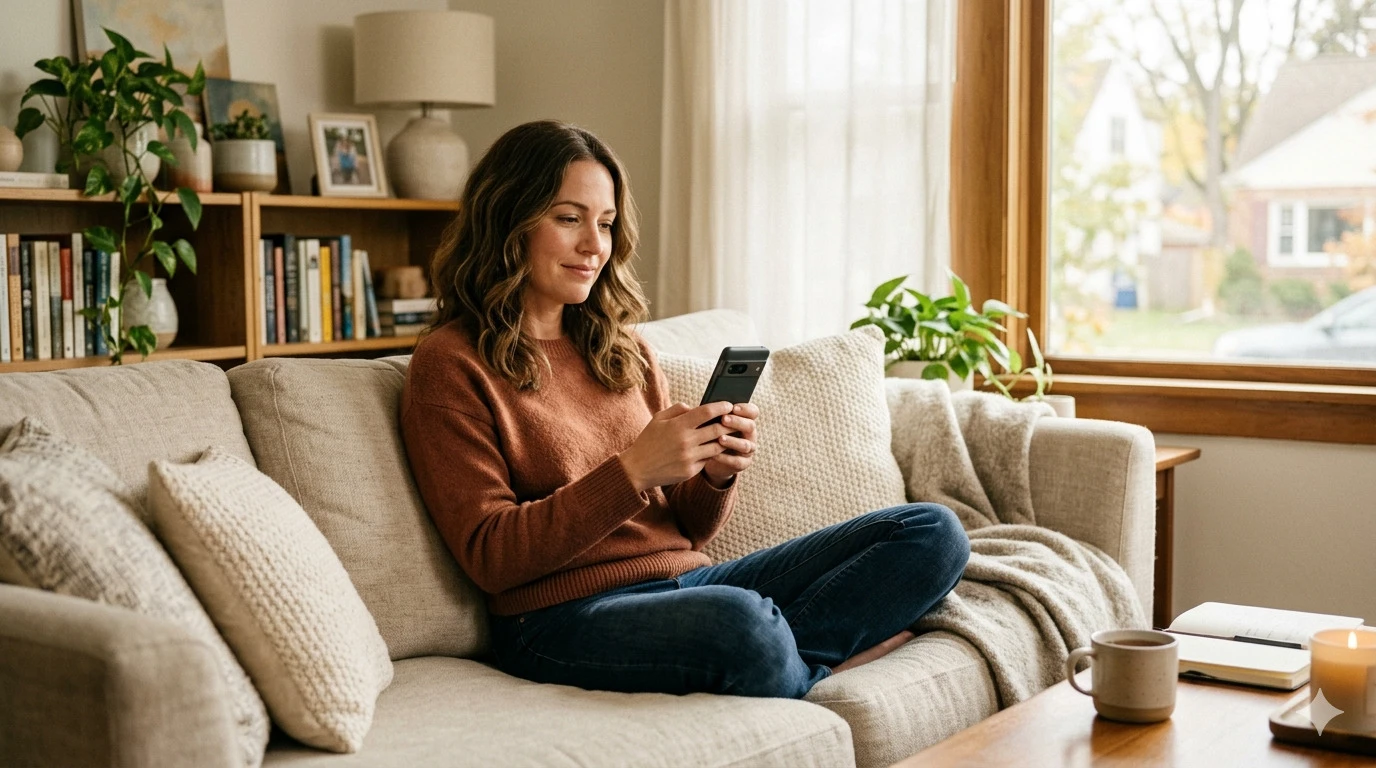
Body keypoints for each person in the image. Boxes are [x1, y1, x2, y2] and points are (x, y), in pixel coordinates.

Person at [401, 120, 970, 699]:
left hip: (685, 581)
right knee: (743, 624)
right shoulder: (450, 364)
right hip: (559, 617)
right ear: (507, 219)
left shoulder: (621, 348)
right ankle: (821, 664)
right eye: (568, 218)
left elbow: (689, 525)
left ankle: (789, 662)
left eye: (605, 223)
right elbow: (492, 556)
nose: (595, 246)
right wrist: (631, 474)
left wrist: (715, 471)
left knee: (932, 533)